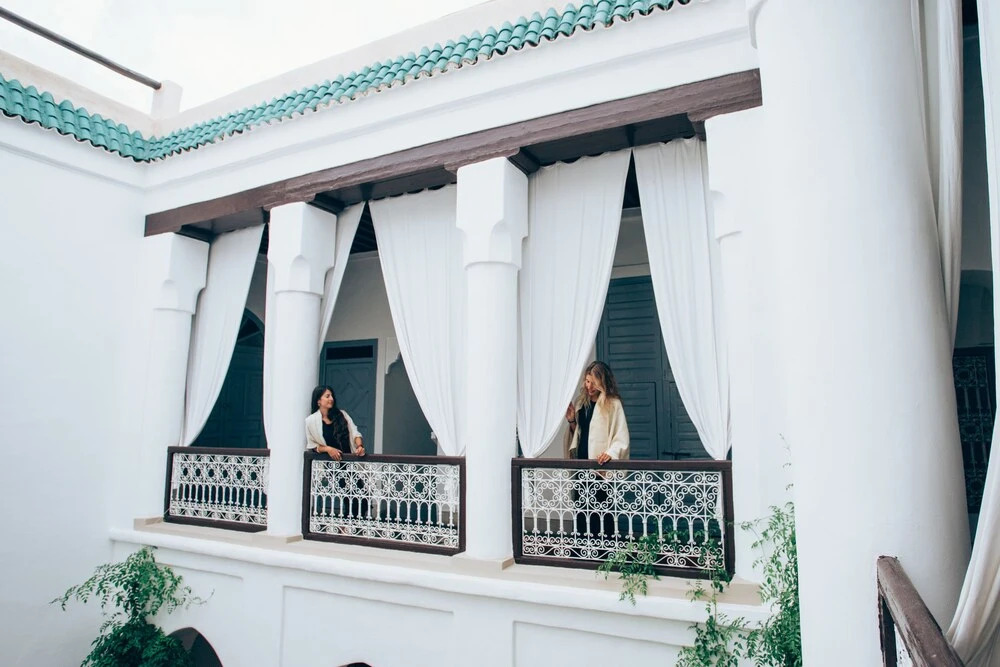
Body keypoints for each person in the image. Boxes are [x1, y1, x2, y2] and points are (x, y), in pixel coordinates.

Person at [563, 361, 629, 463]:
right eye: (587, 381)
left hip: (601, 464)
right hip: (581, 464)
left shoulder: (613, 404)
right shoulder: (580, 403)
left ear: (602, 383)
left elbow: (621, 436)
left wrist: (610, 453)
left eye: (594, 383)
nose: (589, 386)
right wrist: (572, 420)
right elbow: (580, 435)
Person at [306, 385, 366, 459]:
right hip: (326, 464)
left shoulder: (343, 415)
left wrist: (359, 446)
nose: (331, 399)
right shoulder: (311, 421)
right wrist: (328, 449)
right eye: (327, 396)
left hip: (348, 462)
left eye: (332, 396)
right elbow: (313, 445)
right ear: (318, 401)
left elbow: (355, 433)